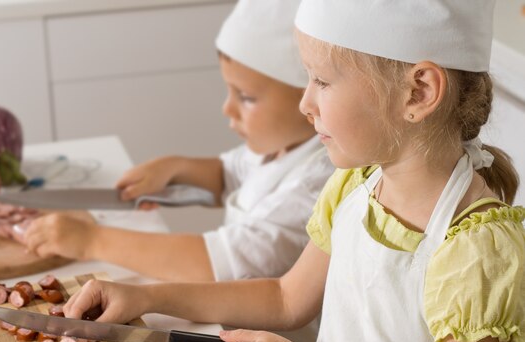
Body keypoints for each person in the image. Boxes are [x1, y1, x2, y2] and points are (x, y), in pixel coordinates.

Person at [59, 0, 525, 342]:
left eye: (322, 80)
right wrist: (148, 298)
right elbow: (286, 299)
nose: (306, 102)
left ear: (418, 92)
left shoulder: (475, 254)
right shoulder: (354, 187)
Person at [23, 0, 334, 283]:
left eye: (247, 97)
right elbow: (232, 173)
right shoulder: (282, 148)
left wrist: (92, 240)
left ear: (309, 98)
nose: (227, 108)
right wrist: (177, 168)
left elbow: (218, 264)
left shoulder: (318, 184)